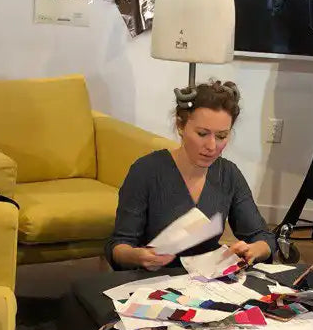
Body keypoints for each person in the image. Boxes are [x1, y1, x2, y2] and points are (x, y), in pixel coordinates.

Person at [106, 80, 275, 270]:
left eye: (221, 136)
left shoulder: (228, 174)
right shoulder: (146, 171)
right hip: (152, 282)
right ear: (180, 125)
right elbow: (119, 246)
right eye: (202, 134)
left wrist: (253, 250)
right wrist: (137, 256)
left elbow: (263, 237)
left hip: (207, 281)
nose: (212, 147)